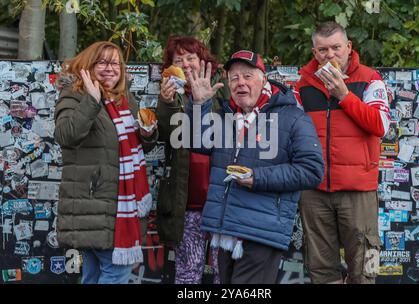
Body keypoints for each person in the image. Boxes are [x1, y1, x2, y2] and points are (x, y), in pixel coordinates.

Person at [185, 50, 324, 284]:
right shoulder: (226, 116)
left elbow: (312, 170)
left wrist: (257, 177)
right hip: (225, 227)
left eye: (247, 76)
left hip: (261, 231)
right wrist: (199, 104)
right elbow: (196, 143)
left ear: (263, 80)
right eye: (234, 78)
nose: (241, 83)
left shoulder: (293, 118)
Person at [294, 21, 391, 284]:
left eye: (336, 48)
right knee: (321, 269)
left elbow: (381, 125)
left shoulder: (370, 79)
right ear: (315, 53)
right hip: (314, 190)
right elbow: (291, 134)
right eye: (323, 50)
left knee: (365, 268)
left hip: (358, 190)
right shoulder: (302, 85)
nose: (330, 55)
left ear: (348, 47)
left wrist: (344, 95)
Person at [54, 41, 158, 284]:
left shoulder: (124, 100)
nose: (109, 68)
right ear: (88, 66)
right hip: (94, 205)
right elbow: (65, 135)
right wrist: (92, 100)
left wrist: (147, 133)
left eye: (115, 63)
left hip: (114, 209)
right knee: (116, 274)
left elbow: (133, 147)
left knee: (94, 276)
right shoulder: (74, 94)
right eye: (102, 62)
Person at [155, 36, 229, 284]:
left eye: (190, 58)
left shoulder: (223, 87)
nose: (186, 64)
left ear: (203, 61)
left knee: (224, 271)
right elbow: (167, 136)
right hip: (185, 199)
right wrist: (165, 104)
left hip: (223, 198)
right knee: (188, 270)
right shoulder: (170, 94)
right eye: (179, 60)